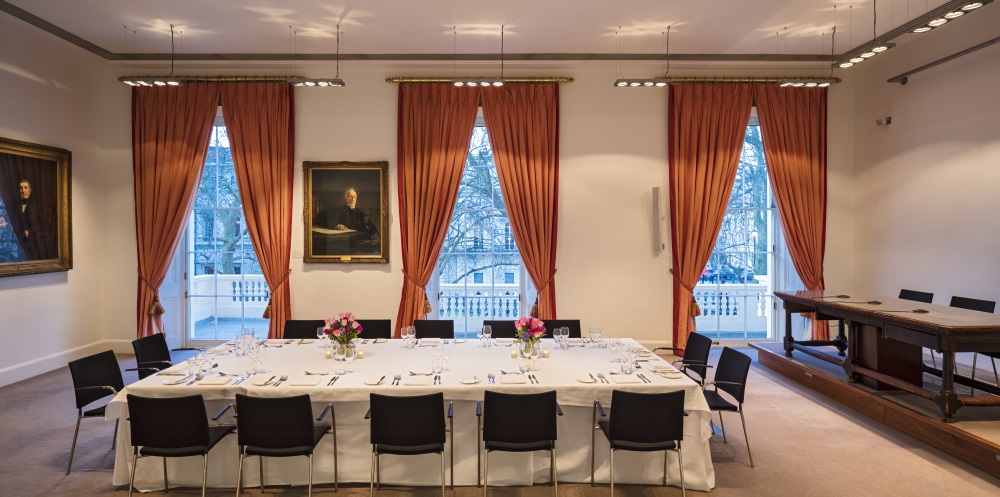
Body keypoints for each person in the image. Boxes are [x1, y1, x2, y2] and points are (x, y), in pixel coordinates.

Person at [13, 179, 55, 259]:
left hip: (34, 240)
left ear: (30, 190)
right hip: (17, 239)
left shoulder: (37, 206)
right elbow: (15, 220)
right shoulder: (16, 205)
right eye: (20, 188)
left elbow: (45, 225)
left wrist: (29, 231)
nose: (23, 191)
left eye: (25, 188)